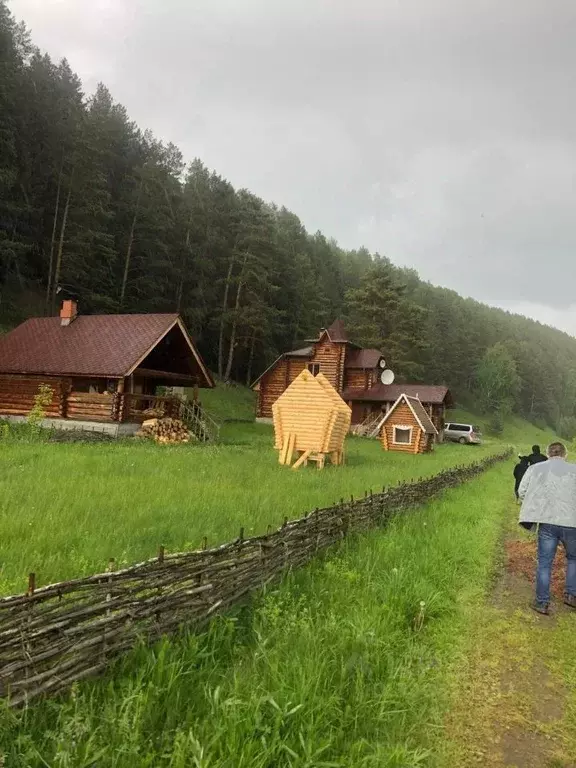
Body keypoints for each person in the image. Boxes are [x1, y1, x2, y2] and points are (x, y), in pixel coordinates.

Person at [518, 442, 576, 615]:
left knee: (544, 563)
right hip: (572, 523)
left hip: (547, 522)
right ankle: (571, 596)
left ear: (548, 454)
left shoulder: (535, 469)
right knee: (573, 559)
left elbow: (522, 491)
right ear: (565, 454)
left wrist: (536, 504)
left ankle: (542, 603)